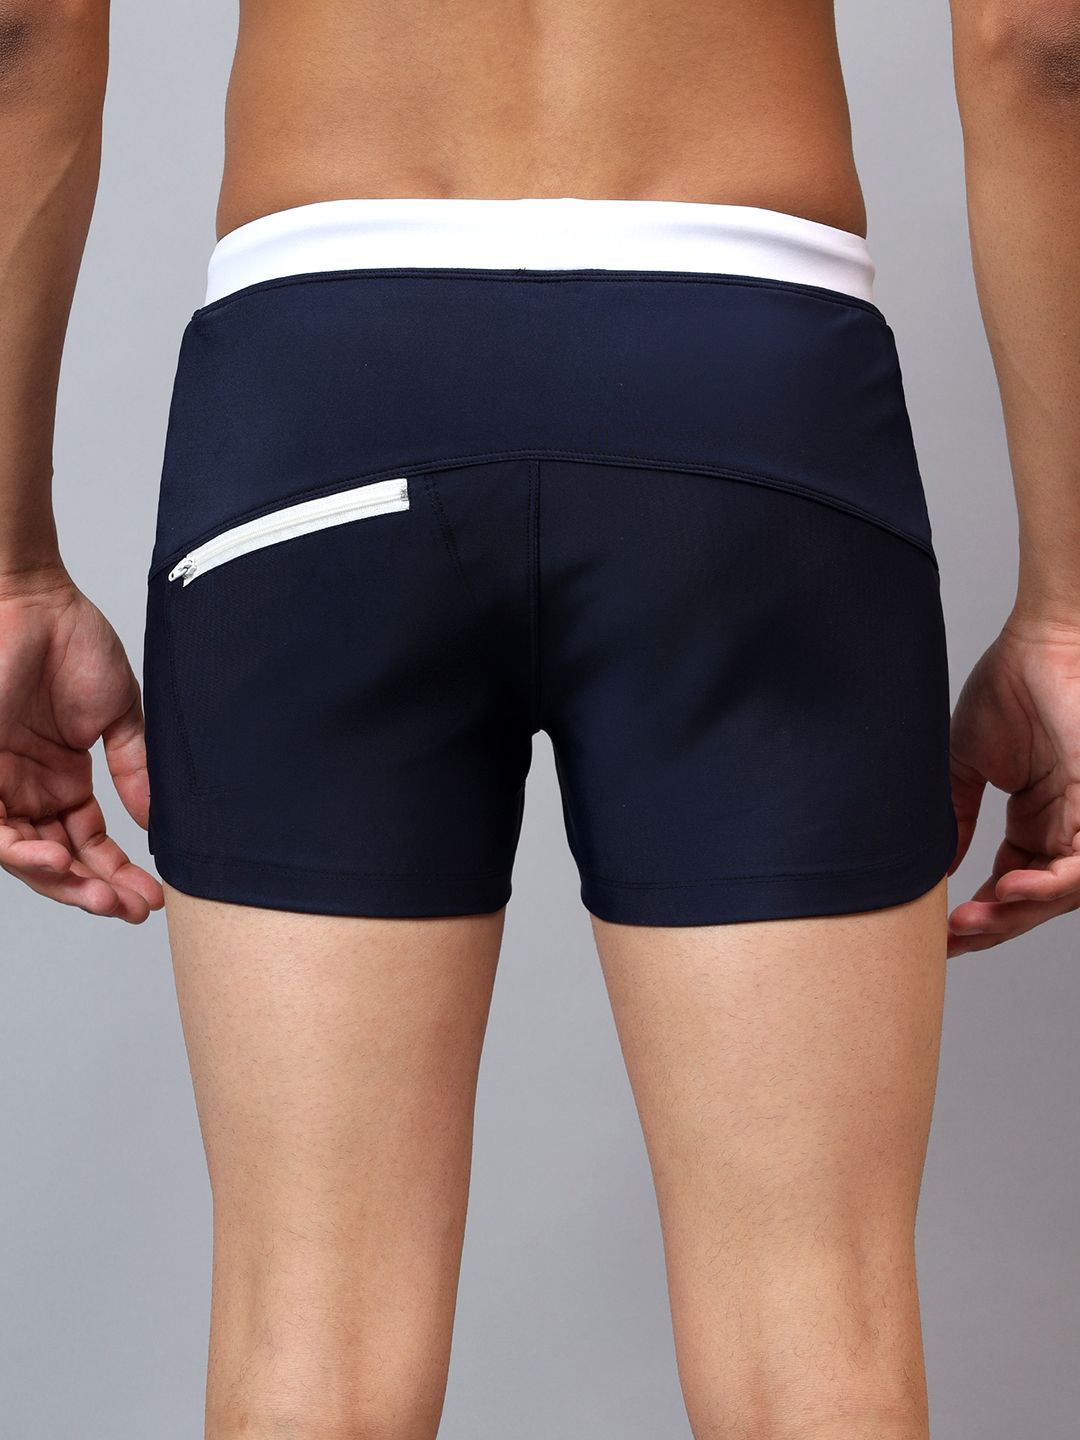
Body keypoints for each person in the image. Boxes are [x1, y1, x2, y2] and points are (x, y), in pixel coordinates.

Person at [2, 0, 1078, 1435]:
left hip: (324, 399)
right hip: (748, 398)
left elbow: (21, 28)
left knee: (310, 1342)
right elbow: (1040, 41)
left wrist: (8, 569)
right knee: (813, 1338)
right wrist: (1069, 612)